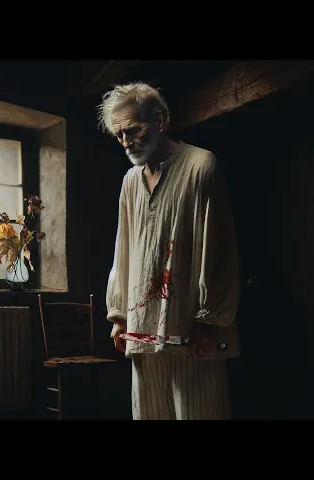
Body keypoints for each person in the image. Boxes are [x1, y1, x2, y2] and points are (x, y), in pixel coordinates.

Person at [97, 81, 240, 420]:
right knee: (149, 411)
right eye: (119, 135)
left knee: (199, 411)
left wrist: (209, 319)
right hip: (141, 323)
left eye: (133, 130)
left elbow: (217, 248)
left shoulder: (201, 165)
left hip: (191, 326)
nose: (125, 142)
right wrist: (118, 314)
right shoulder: (130, 181)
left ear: (159, 120)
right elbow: (124, 248)